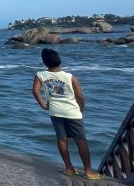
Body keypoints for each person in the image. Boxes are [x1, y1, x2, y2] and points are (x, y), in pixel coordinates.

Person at [32, 48, 102, 179]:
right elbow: (80, 97)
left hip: (55, 111)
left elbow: (35, 91)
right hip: (72, 113)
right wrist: (81, 109)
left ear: (45, 63)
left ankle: (69, 168)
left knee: (62, 139)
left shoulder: (40, 75)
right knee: (81, 141)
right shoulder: (70, 77)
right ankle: (88, 171)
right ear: (59, 61)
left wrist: (42, 104)